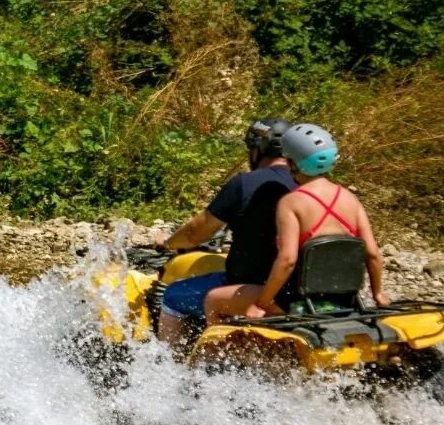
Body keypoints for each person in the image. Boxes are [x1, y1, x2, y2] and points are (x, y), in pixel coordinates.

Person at [154, 117, 295, 341]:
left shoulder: (244, 183)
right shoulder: (307, 185)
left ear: (257, 150)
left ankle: (172, 366)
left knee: (172, 296)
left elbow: (194, 234)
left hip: (251, 288)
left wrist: (167, 243)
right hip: (294, 287)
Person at [246, 124, 388, 318]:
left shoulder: (291, 202)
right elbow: (373, 254)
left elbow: (287, 260)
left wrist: (262, 303)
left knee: (214, 299)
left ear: (292, 162)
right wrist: (378, 294)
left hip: (298, 301)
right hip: (346, 300)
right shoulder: (350, 199)